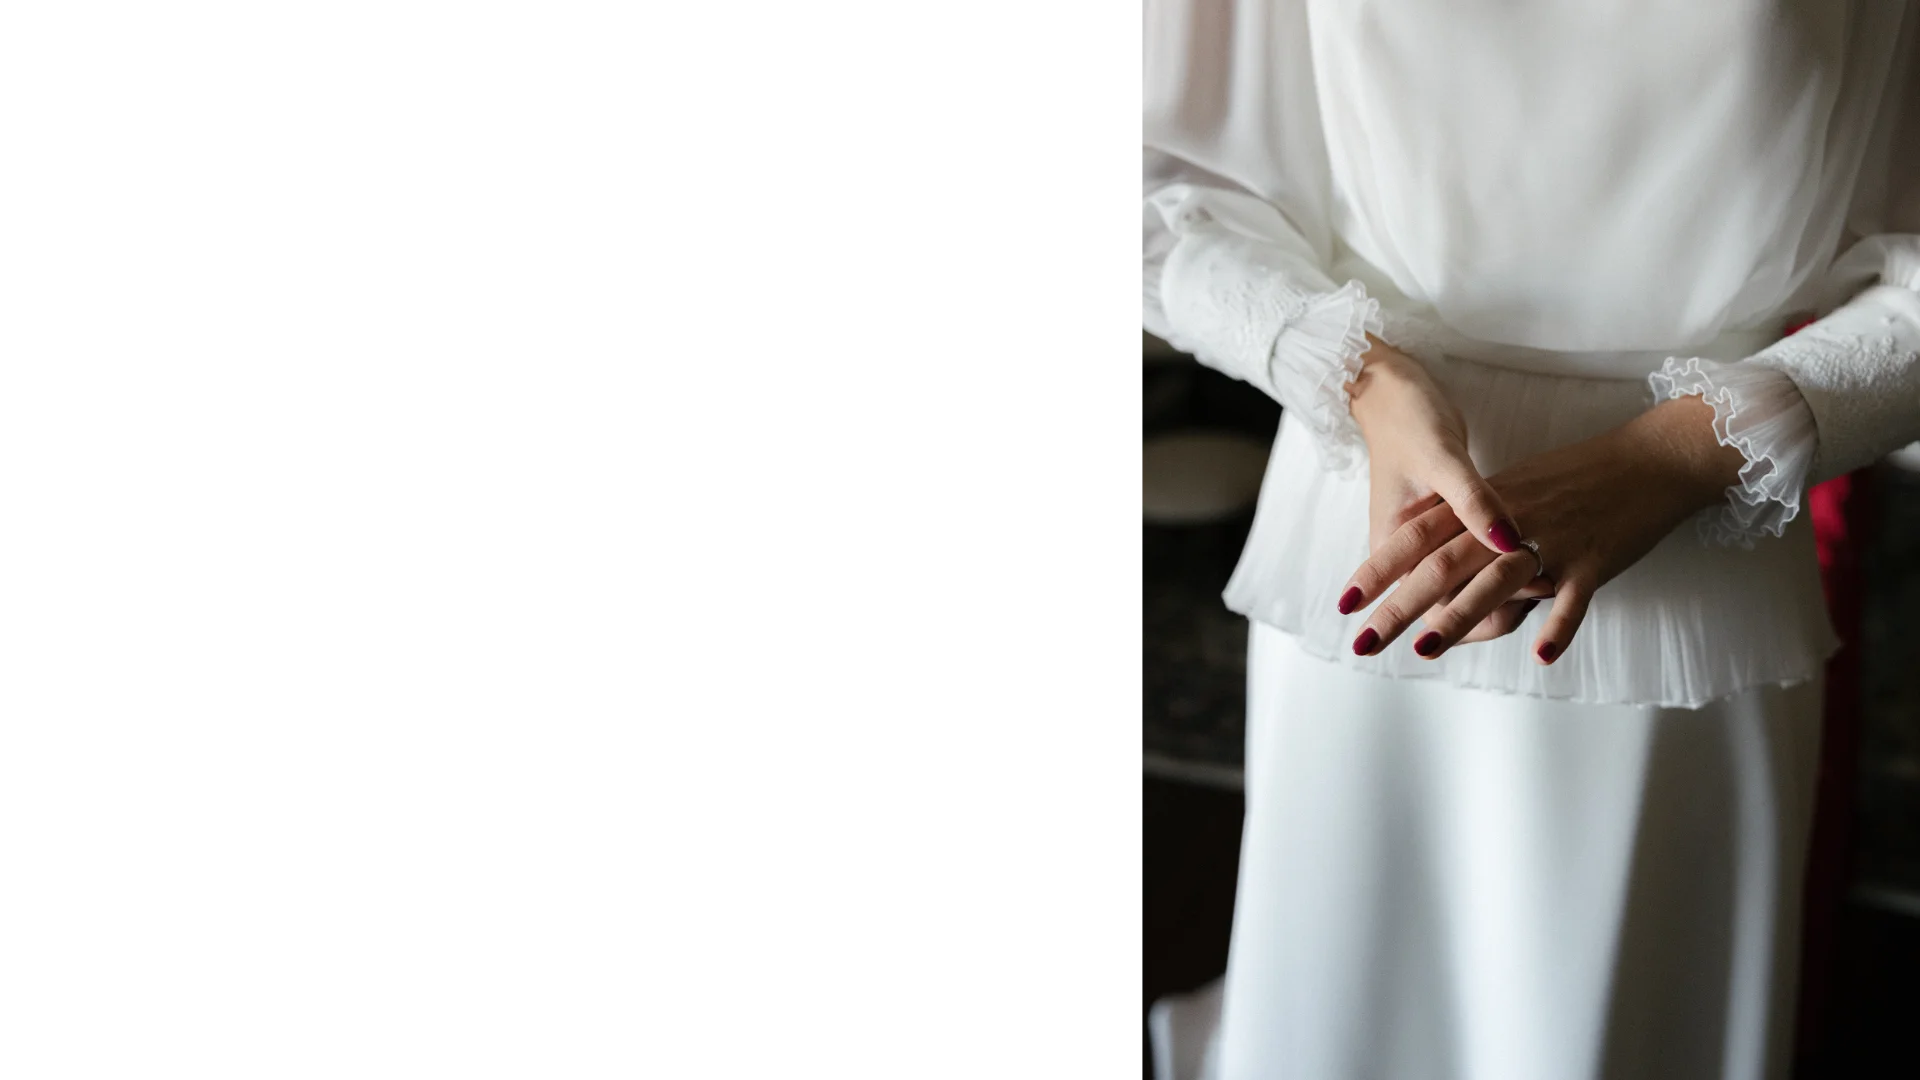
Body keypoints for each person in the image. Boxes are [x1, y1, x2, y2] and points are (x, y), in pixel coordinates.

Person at [1135, 2, 1920, 1077]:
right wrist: (1360, 376)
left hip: (1695, 565)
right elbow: (1158, 181)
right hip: (1376, 528)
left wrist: (1679, 458)